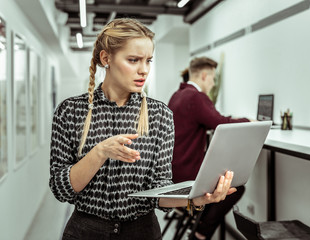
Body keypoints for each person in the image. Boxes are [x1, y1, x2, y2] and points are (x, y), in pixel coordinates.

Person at [49, 18, 237, 240]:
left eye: (148, 60)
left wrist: (195, 199)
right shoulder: (70, 111)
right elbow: (61, 189)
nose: (144, 70)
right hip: (86, 231)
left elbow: (160, 190)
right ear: (106, 58)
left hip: (143, 231)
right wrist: (100, 152)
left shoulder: (160, 115)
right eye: (133, 60)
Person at [168, 57, 251, 240]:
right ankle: (201, 233)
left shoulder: (178, 95)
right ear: (204, 75)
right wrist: (249, 121)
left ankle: (197, 219)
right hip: (187, 173)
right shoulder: (196, 97)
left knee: (224, 176)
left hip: (174, 170)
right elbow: (220, 123)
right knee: (236, 186)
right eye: (213, 78)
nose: (214, 84)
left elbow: (209, 120)